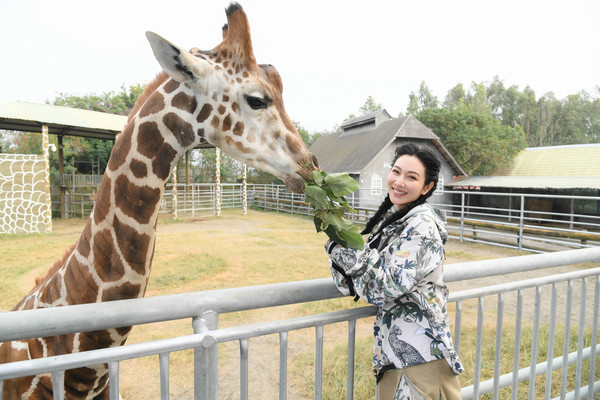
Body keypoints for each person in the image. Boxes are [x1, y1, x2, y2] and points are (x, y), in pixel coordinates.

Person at [324, 143, 463, 399]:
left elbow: (382, 287)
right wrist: (339, 240)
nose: (399, 181)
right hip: (393, 354)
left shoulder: (421, 227)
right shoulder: (395, 224)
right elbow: (350, 284)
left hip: (421, 356)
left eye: (411, 177)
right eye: (396, 171)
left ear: (427, 187)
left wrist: (344, 249)